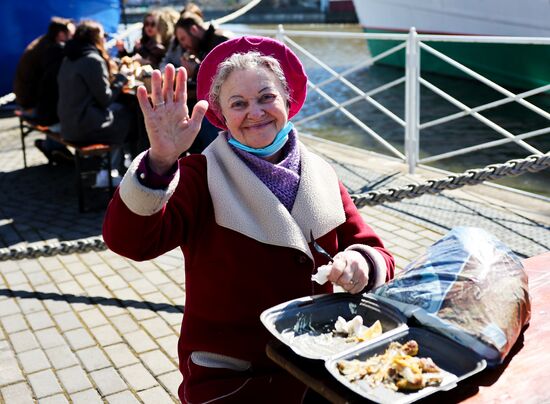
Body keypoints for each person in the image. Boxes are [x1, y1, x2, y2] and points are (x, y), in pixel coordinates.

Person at [103, 36, 395, 402]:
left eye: (266, 97)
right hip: (232, 381)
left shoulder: (321, 172)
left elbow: (375, 252)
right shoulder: (198, 174)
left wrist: (360, 263)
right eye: (238, 104)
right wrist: (160, 161)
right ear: (221, 117)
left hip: (317, 370)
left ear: (288, 101)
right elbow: (130, 242)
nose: (255, 112)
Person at [57, 20, 135, 186]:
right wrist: (121, 79)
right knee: (129, 115)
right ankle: (110, 170)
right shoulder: (92, 59)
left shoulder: (68, 58)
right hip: (82, 127)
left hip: (68, 125)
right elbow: (105, 99)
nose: (105, 39)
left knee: (120, 111)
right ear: (95, 38)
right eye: (102, 36)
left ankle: (114, 165)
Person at [160, 12, 232, 153]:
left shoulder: (221, 40)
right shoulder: (204, 44)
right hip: (215, 102)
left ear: (194, 30)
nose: (183, 45)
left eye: (183, 39)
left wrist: (196, 70)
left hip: (226, 106)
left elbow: (228, 75)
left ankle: (209, 162)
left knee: (200, 122)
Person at [13, 17, 75, 111]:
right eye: (71, 34)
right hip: (32, 100)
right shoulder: (51, 50)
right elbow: (52, 81)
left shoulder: (43, 43)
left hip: (25, 96)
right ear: (61, 34)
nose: (73, 38)